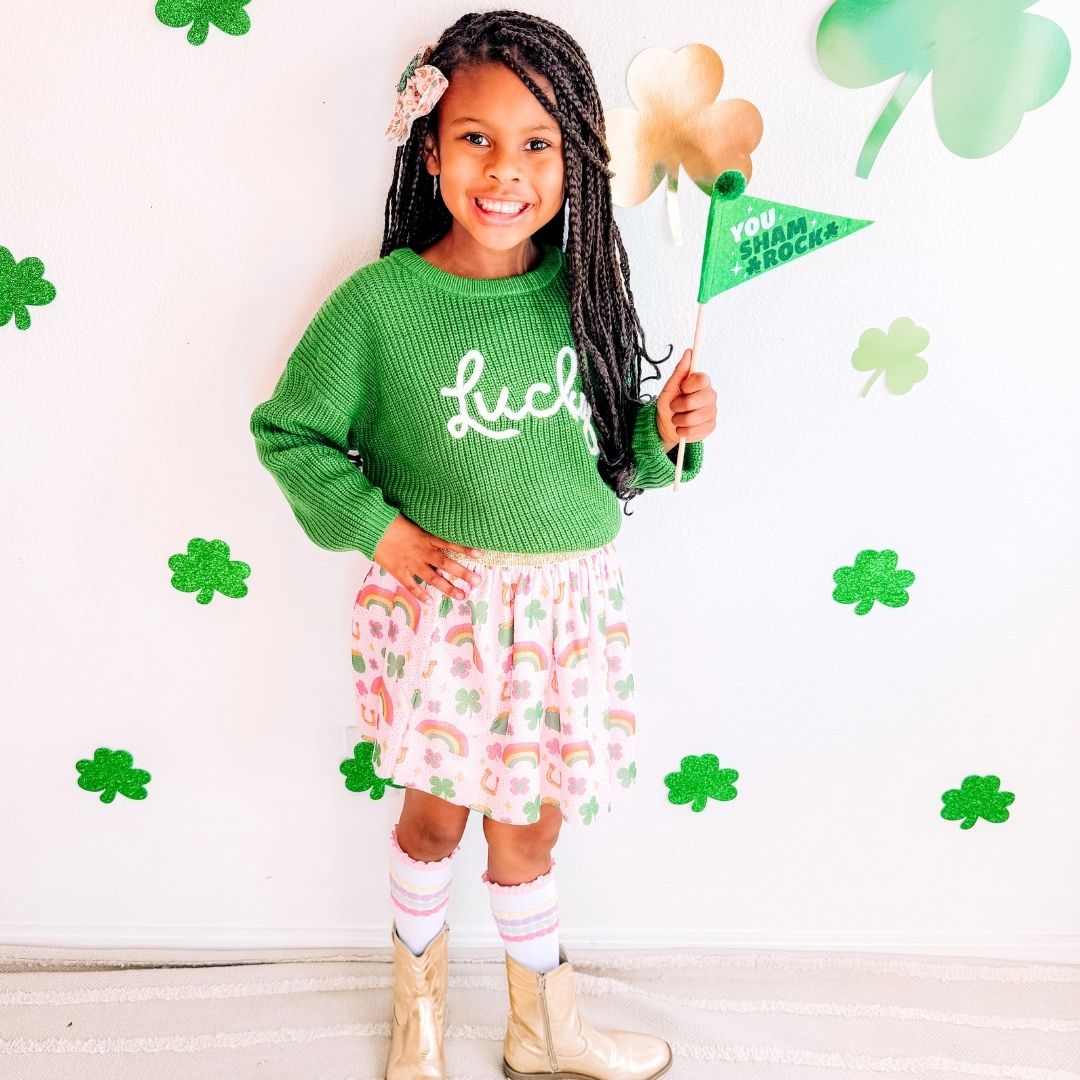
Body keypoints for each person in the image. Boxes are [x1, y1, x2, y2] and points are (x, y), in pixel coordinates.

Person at [249, 10, 715, 1079]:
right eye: (477, 138)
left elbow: (607, 463)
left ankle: (542, 1028)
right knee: (435, 824)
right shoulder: (382, 304)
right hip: (451, 618)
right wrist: (382, 532)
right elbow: (291, 431)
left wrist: (664, 432)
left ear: (576, 160)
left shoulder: (581, 293)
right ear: (428, 146)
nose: (506, 172)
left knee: (532, 837)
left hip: (566, 620)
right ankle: (416, 1017)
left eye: (539, 143)